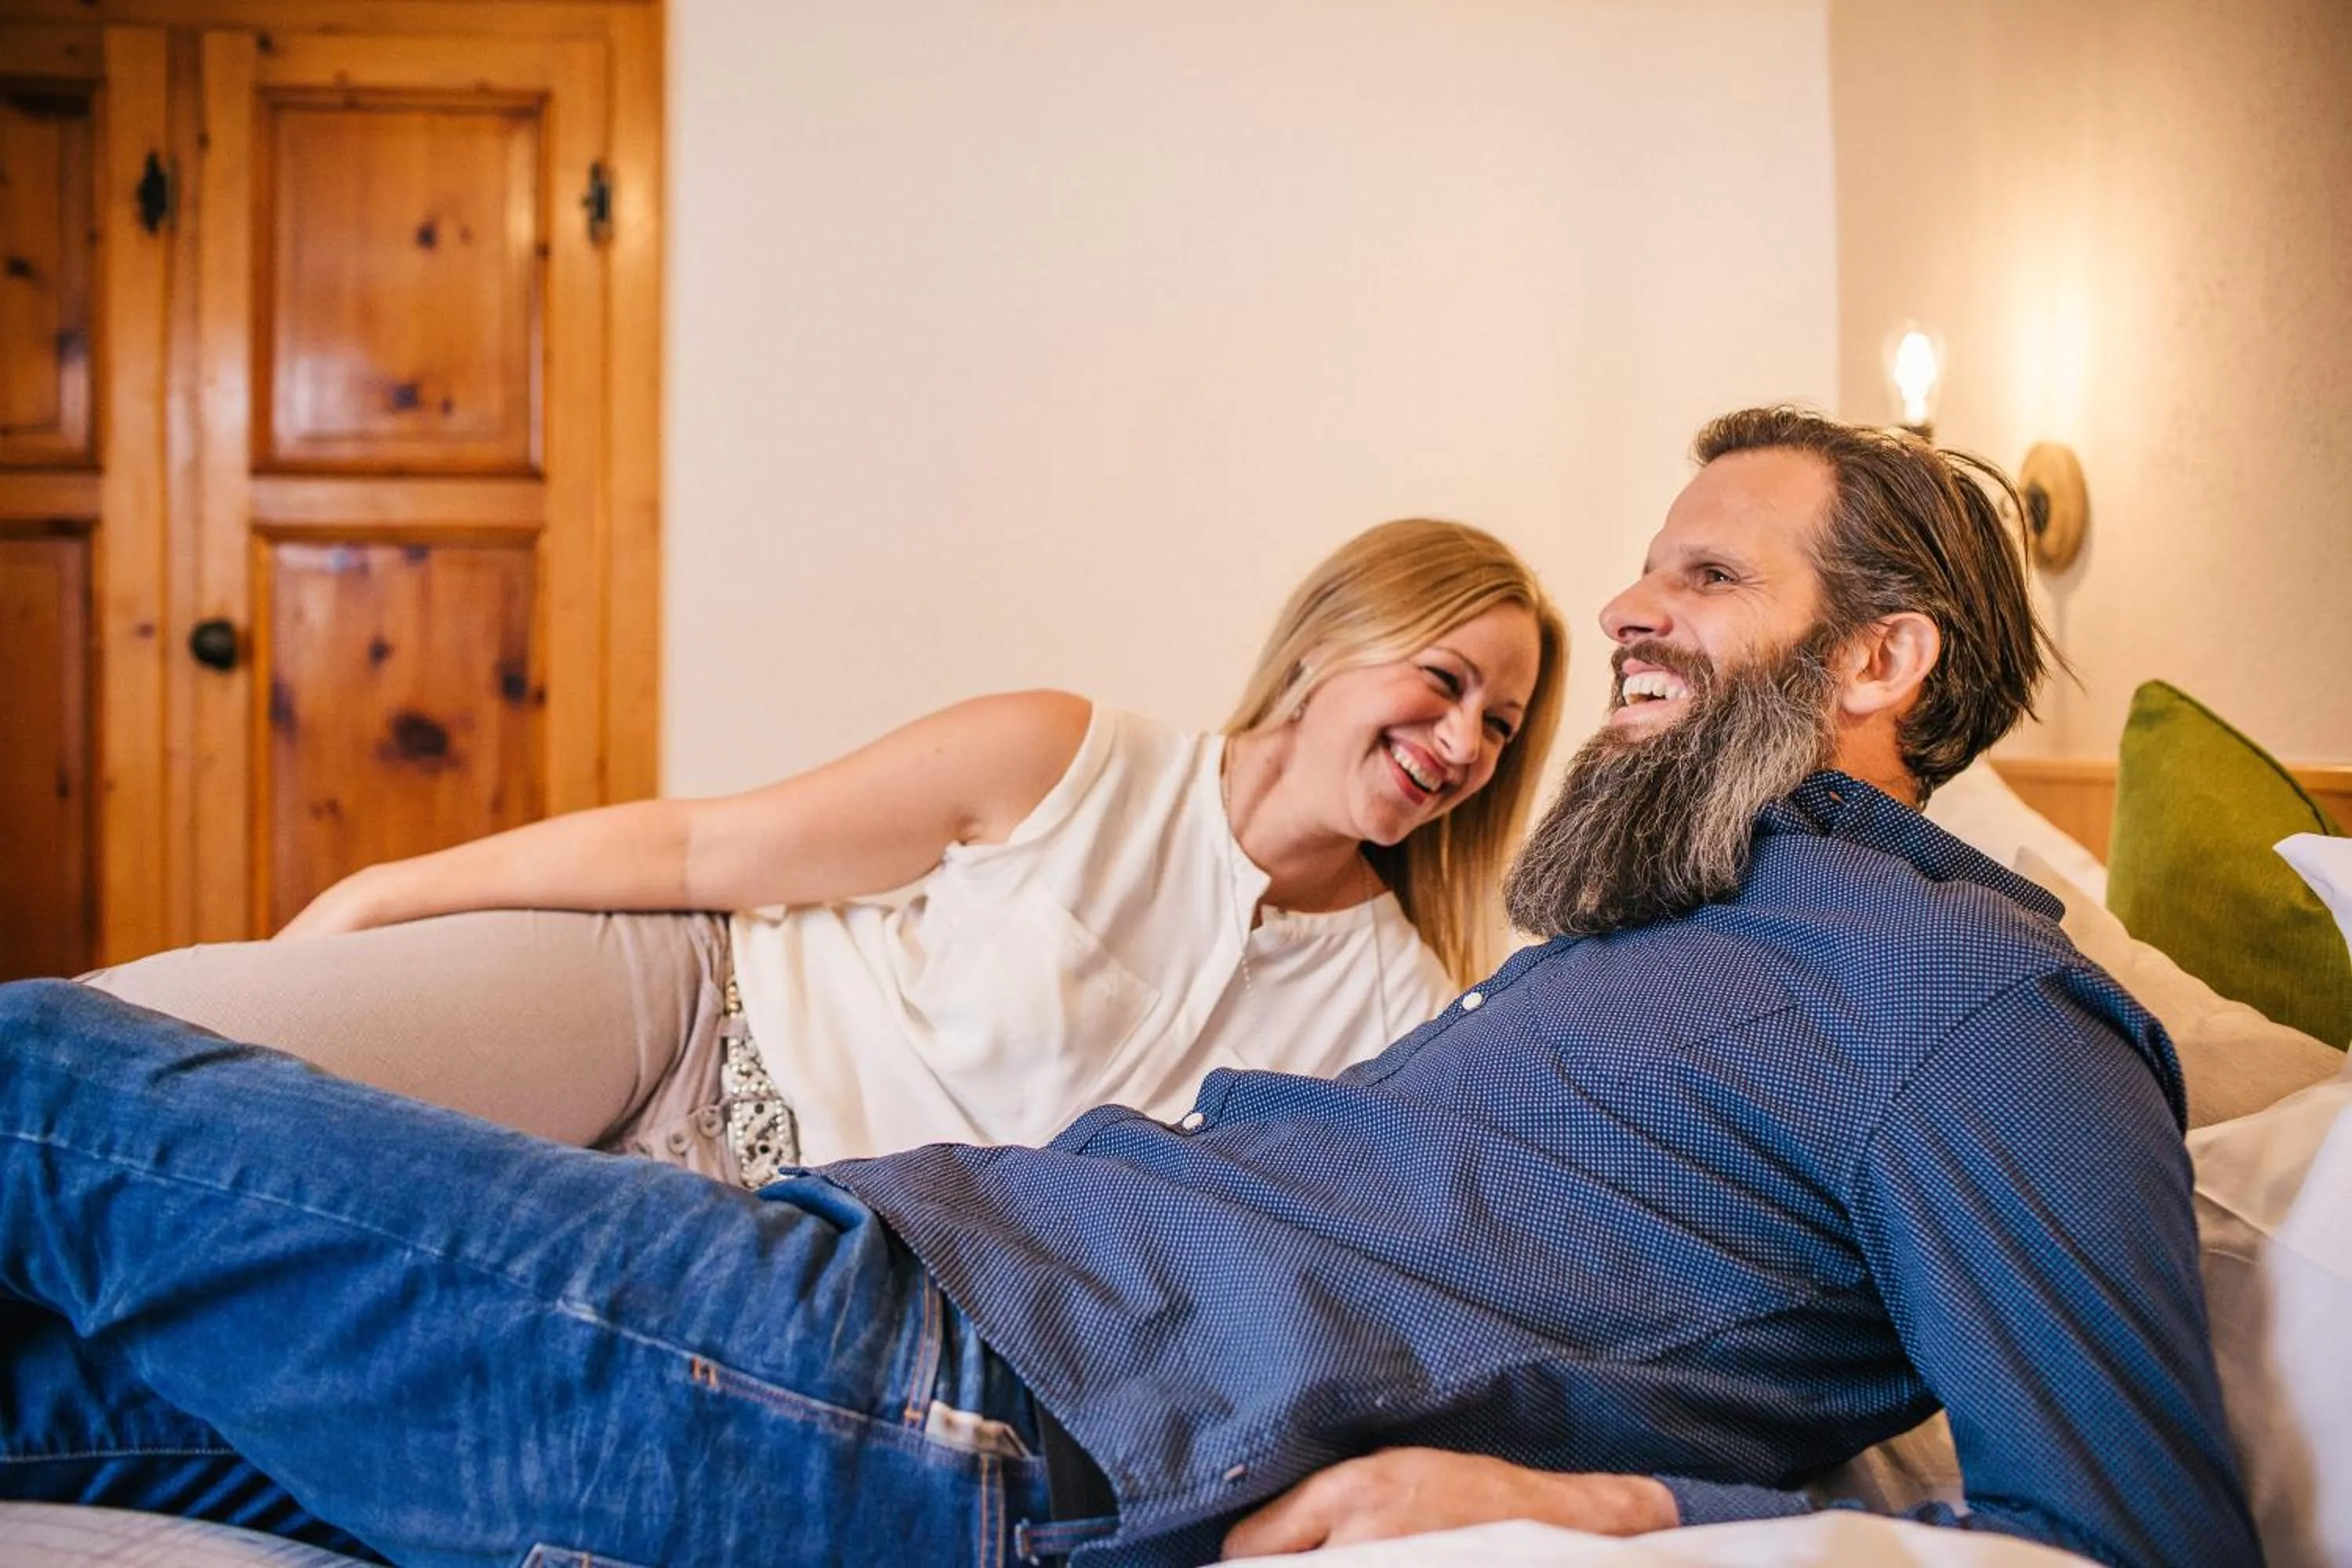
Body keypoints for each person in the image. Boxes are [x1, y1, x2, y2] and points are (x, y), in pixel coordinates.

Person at [0, 408, 2256, 1568]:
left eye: (1703, 568)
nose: (1628, 604)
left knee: (42, 1089)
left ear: (1883, 660)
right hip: (868, 1286)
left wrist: (1636, 1512)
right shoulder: (1666, 949)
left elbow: (2117, 1537)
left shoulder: (1973, 1003)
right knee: (52, 1376)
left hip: (944, 1401)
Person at [77, 518, 1566, 1181]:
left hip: (783, 1250)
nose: (1463, 742)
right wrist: (395, 888)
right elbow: (710, 848)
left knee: (268, 1243)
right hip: (678, 1010)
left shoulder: (1400, 1011)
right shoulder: (1074, 755)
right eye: (1442, 681)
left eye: (1500, 728)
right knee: (129, 1057)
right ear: (1327, 652)